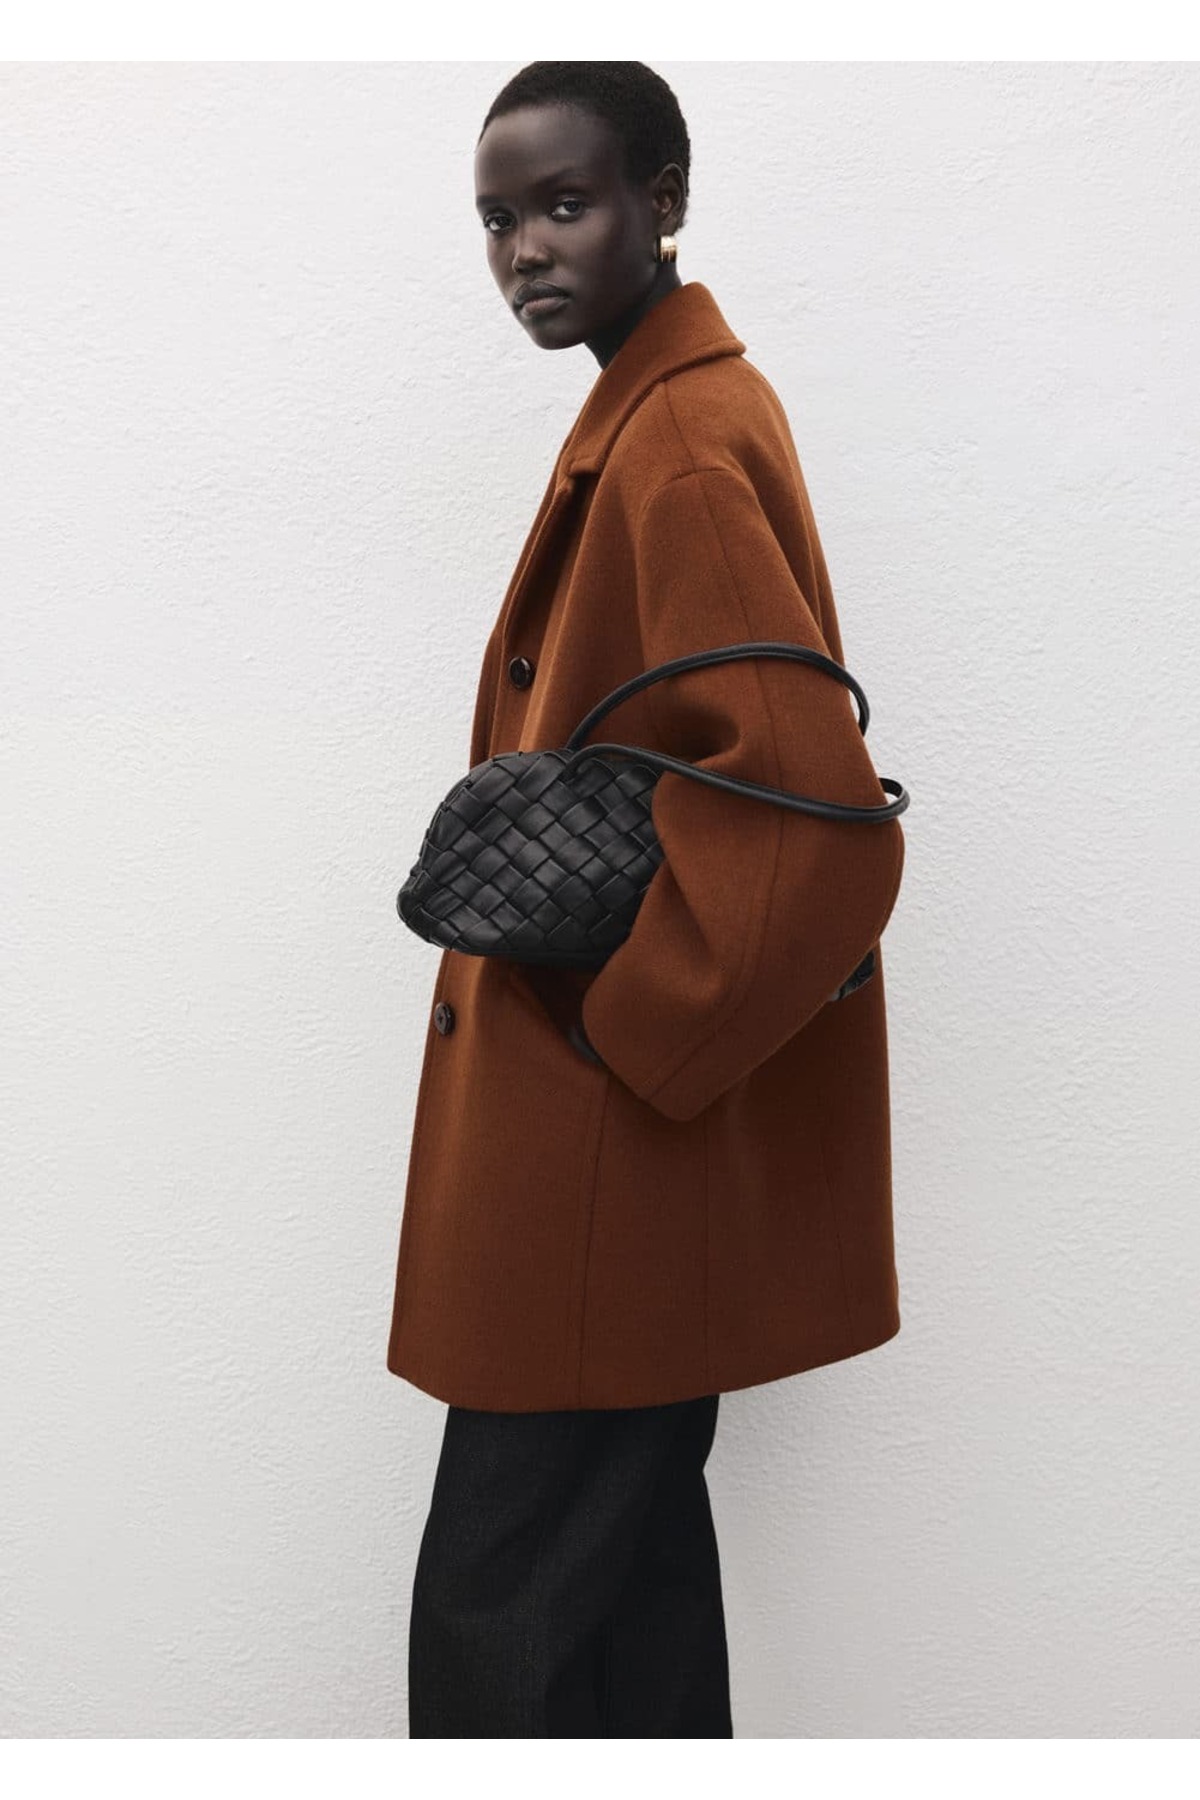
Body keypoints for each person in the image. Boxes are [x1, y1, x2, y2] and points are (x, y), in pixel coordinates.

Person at [392, 61, 907, 1738]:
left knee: (501, 1608)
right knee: (630, 1604)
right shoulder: (659, 411)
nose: (526, 251)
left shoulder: (677, 442)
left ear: (664, 201)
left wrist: (631, 1046)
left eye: (566, 203)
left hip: (601, 1156)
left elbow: (818, 828)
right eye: (498, 220)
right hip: (612, 1161)